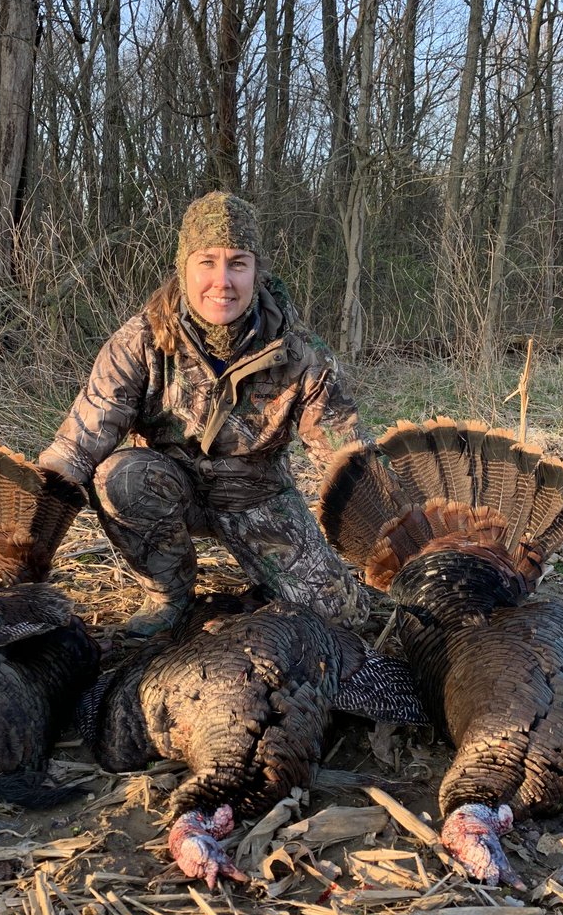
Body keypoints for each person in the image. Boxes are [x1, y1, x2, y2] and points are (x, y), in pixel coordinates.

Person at [39, 191, 377, 637]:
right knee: (118, 475)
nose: (223, 281)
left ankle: (258, 600)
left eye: (238, 262)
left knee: (342, 616)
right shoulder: (140, 341)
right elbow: (76, 447)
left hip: (257, 498)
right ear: (184, 267)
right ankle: (169, 597)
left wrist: (406, 536)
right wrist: (20, 540)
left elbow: (348, 457)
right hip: (167, 489)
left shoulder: (299, 352)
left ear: (257, 271)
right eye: (207, 262)